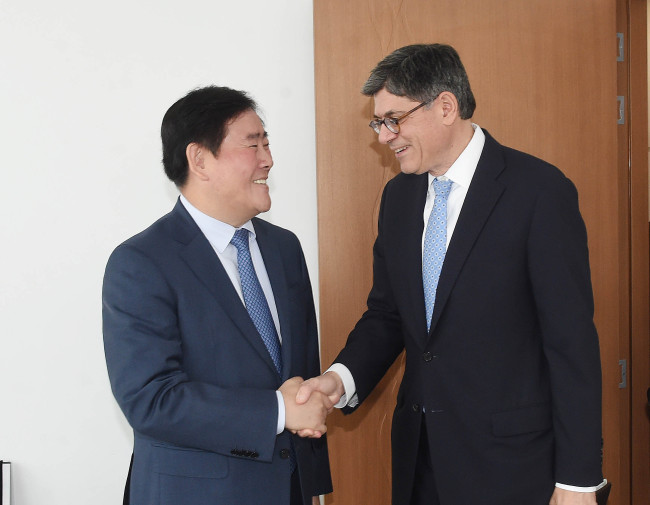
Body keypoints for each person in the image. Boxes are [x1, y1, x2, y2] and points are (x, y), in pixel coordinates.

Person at [296, 44, 605, 505]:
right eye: (378, 122)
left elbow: (571, 344)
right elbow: (387, 315)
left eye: (393, 119)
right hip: (421, 461)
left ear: (445, 106)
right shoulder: (398, 199)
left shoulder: (539, 192)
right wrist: (340, 378)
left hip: (513, 467)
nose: (384, 136)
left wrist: (579, 478)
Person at [103, 85, 332, 505]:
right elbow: (151, 399)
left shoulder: (284, 248)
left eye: (268, 142)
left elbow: (299, 374)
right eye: (253, 144)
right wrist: (277, 413)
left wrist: (312, 487)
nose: (268, 159)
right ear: (199, 159)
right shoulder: (141, 262)